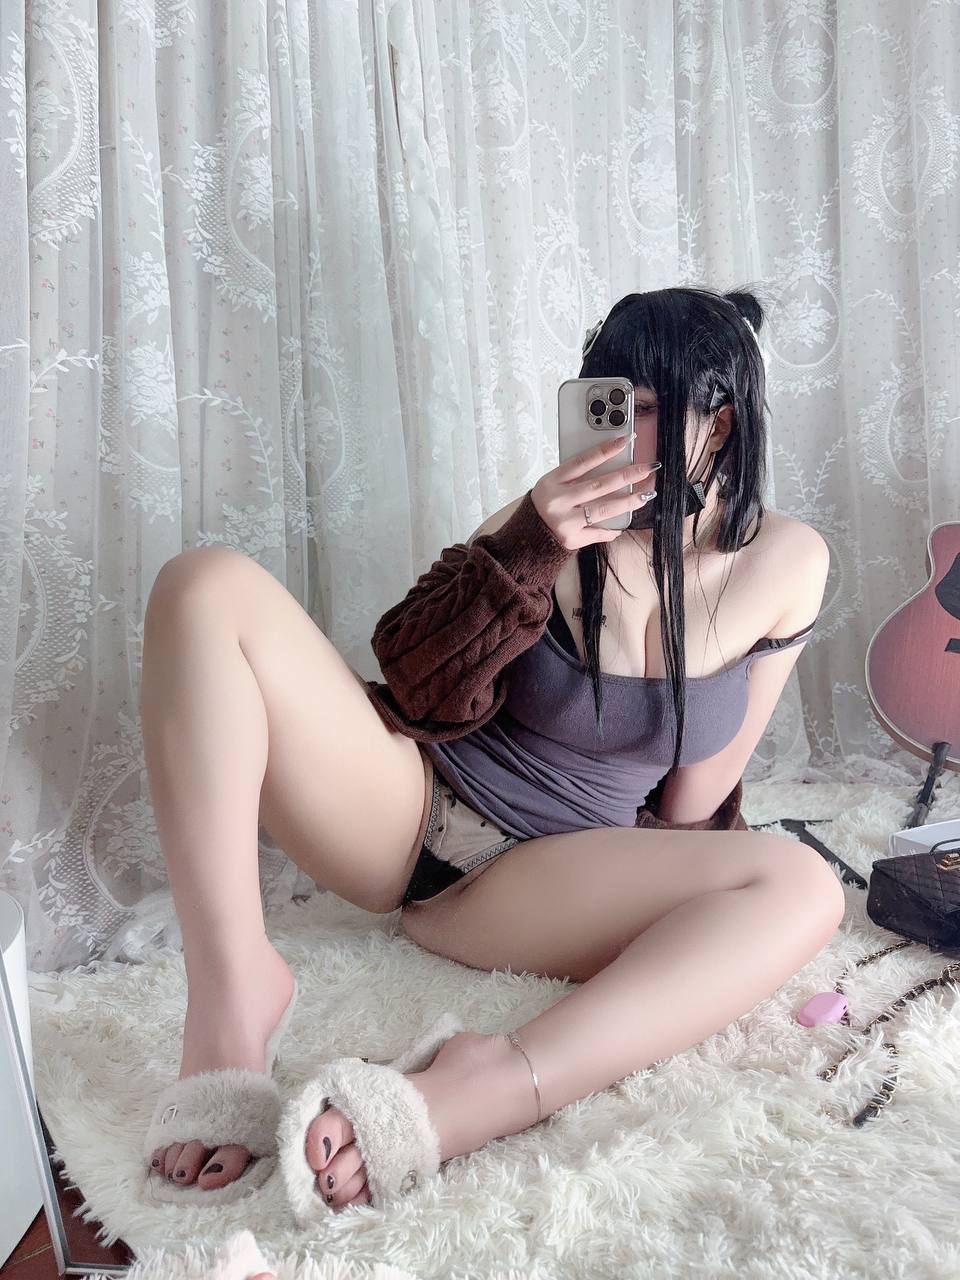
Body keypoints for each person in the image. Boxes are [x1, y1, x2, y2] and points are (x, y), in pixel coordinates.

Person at [139, 285, 839, 1212]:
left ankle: (489, 1084)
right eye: (605, 404)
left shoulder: (787, 563)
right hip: (403, 811)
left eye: (647, 410)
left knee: (805, 886)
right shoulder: (549, 516)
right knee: (202, 586)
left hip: (545, 880)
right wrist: (531, 546)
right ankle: (232, 996)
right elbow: (415, 685)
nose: (622, 434)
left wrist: (690, 920)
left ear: (721, 421)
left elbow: (691, 808)